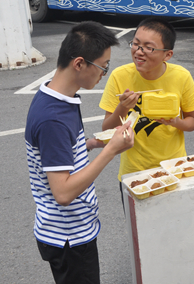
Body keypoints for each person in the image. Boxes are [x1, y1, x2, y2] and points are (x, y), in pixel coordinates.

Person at [25, 22, 135, 284]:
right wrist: (111, 150)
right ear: (79, 63)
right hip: (68, 237)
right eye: (103, 66)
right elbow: (62, 193)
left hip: (71, 230)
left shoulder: (58, 94)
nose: (104, 74)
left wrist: (94, 143)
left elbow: (58, 153)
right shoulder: (53, 118)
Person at [99, 18, 194, 184]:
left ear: (167, 55)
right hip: (134, 172)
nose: (139, 51)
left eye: (149, 48)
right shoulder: (119, 76)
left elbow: (192, 123)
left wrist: (175, 122)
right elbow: (106, 130)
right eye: (136, 44)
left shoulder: (182, 76)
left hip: (173, 168)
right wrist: (123, 107)